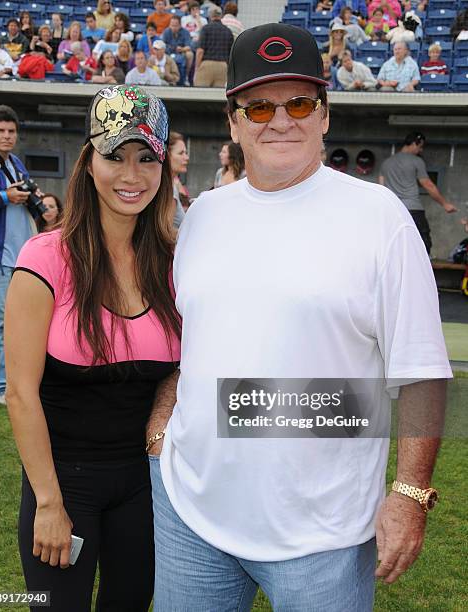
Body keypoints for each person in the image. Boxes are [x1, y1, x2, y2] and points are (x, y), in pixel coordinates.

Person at [146, 23, 452, 611]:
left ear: (325, 114)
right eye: (258, 105)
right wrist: (163, 426)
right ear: (233, 120)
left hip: (325, 536)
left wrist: (410, 492)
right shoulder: (204, 215)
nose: (279, 120)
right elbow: (189, 340)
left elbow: (421, 370)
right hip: (190, 515)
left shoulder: (378, 217)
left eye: (299, 102)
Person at [5, 85, 180, 612]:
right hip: (62, 483)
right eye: (115, 155)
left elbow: (188, 363)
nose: (132, 174)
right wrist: (49, 503)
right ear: (88, 160)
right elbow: (19, 393)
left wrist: (163, 411)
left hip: (145, 489)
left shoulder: (175, 262)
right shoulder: (45, 257)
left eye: (147, 158)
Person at [0, 105, 34, 405]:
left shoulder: (15, 162)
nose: (6, 136)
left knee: (9, 323)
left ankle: (12, 378)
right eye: (0, 130)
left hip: (20, 255)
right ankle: (2, 387)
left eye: (11, 131)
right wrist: (4, 197)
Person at [379, 132, 457, 254]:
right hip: (413, 209)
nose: (421, 150)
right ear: (415, 143)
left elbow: (381, 187)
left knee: (394, 244)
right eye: (420, 147)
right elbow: (427, 184)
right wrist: (445, 204)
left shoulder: (386, 163)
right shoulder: (416, 161)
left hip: (393, 210)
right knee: (422, 245)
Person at [194, 6, 234, 88]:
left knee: (200, 95)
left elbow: (200, 51)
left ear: (210, 16)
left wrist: (197, 67)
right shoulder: (228, 31)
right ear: (221, 16)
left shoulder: (205, 29)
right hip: (223, 66)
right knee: (218, 97)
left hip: (206, 64)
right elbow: (231, 54)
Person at [162, 15, 193, 85]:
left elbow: (189, 46)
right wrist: (171, 48)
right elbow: (163, 45)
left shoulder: (185, 32)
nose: (173, 27)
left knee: (190, 54)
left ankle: (186, 77)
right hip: (169, 52)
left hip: (181, 52)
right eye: (172, 25)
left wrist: (182, 49)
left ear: (180, 25)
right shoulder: (166, 32)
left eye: (175, 26)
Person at [168, 131, 188, 224]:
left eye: (186, 153)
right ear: (167, 156)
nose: (186, 157)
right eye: (181, 153)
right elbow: (166, 232)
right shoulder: (169, 189)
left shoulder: (171, 184)